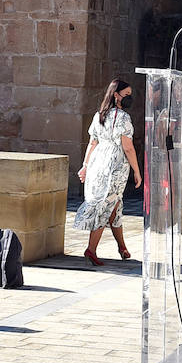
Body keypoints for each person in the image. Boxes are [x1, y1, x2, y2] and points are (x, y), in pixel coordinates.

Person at [73, 79, 141, 265]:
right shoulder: (124, 118)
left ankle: (122, 247)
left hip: (99, 162)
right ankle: (91, 249)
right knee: (107, 205)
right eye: (126, 94)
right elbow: (128, 148)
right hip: (115, 165)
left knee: (115, 205)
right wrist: (137, 170)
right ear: (116, 95)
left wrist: (86, 165)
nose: (130, 98)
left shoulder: (99, 115)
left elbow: (92, 143)